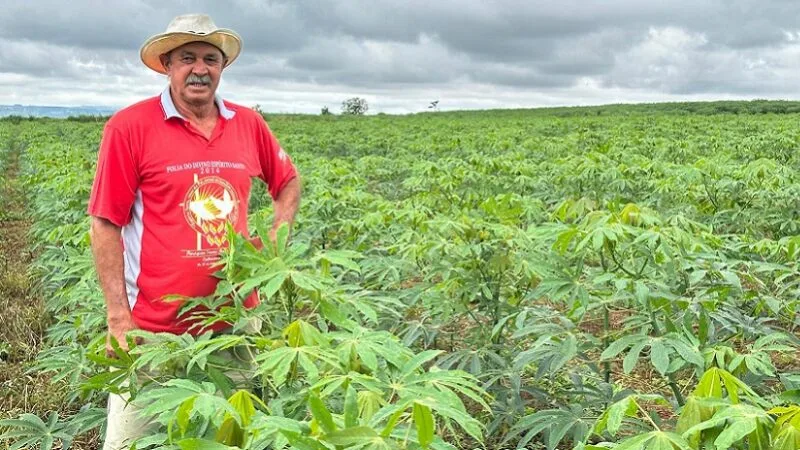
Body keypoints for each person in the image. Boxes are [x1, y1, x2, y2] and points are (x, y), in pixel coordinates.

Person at [87, 13, 301, 450]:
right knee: (132, 442)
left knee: (234, 439)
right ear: (167, 64)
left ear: (223, 67)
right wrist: (117, 318)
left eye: (210, 58)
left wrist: (273, 248)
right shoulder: (129, 127)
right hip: (153, 329)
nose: (200, 69)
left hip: (235, 320)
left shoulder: (248, 123)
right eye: (188, 58)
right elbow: (106, 222)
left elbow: (288, 182)